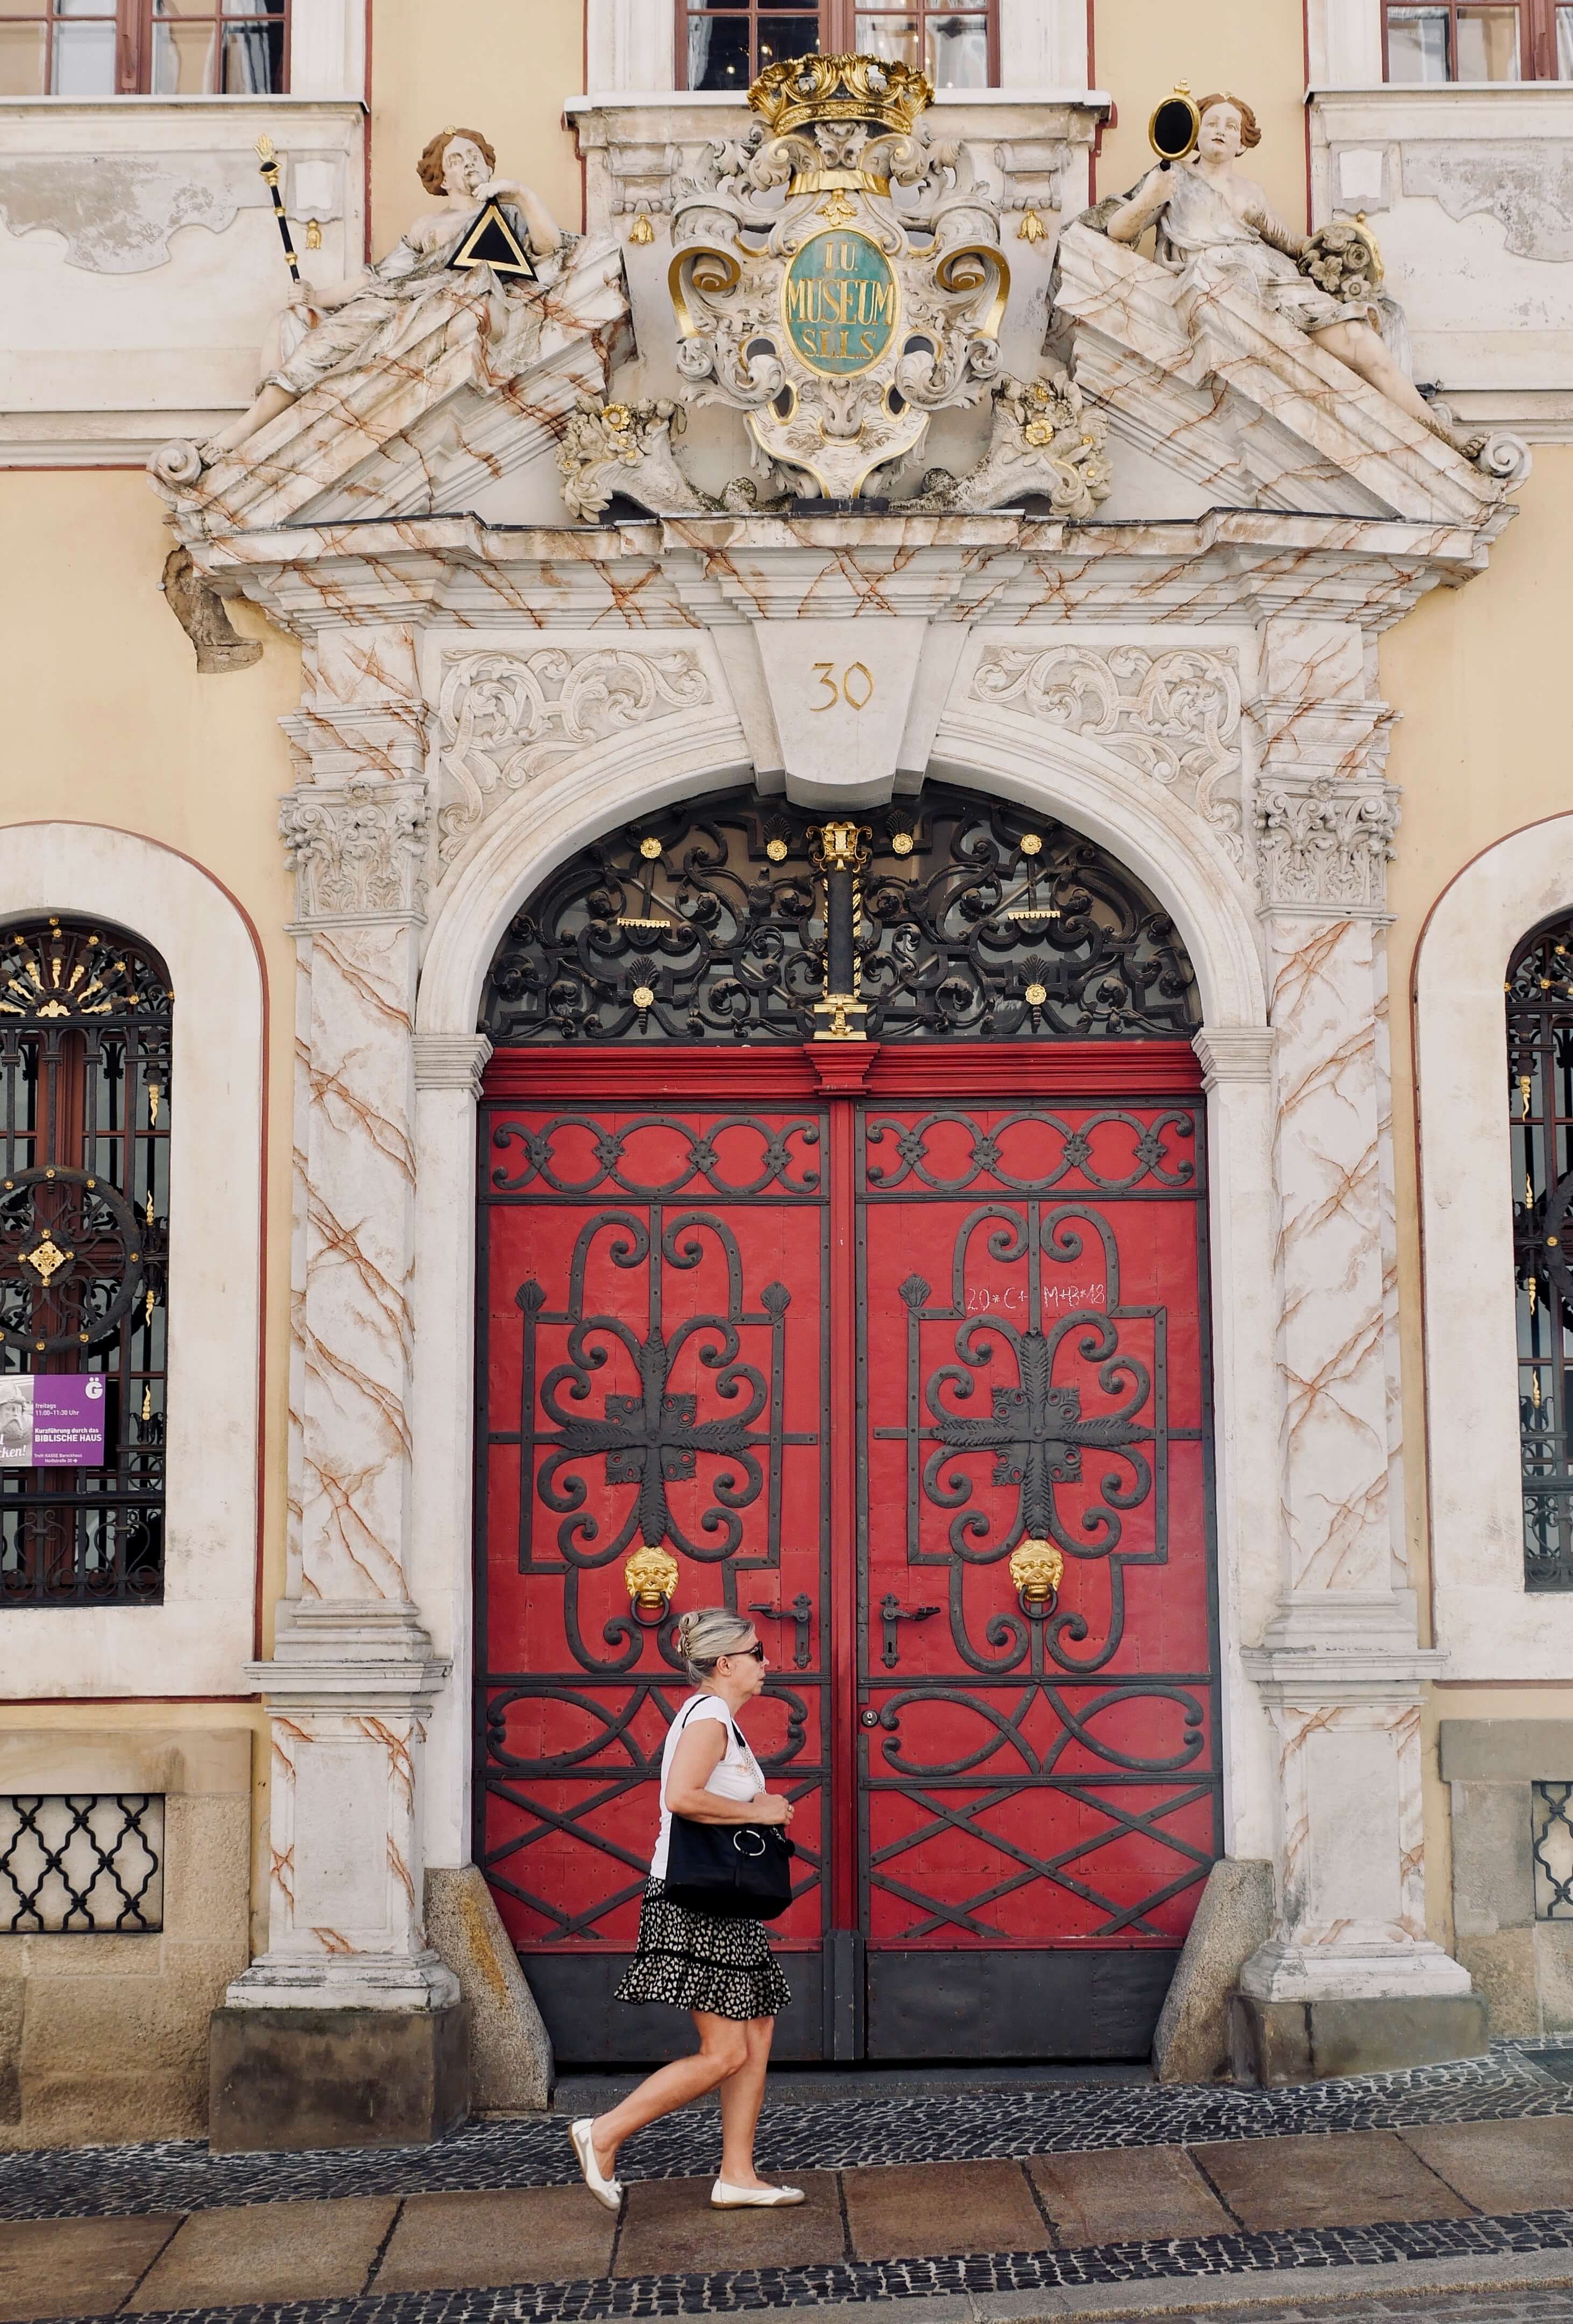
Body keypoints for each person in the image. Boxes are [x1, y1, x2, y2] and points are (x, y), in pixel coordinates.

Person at [568, 1607, 803, 2212]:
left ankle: (737, 2174)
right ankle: (604, 2132)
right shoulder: (709, 1717)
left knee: (756, 2028)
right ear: (725, 1664)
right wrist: (762, 1811)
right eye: (756, 1653)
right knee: (725, 2050)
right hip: (692, 1902)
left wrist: (760, 1803)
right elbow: (681, 1798)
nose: (765, 1662)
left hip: (719, 1902)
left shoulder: (719, 1718)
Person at [1103, 92, 1483, 457]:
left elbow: (1289, 243)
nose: (1221, 130)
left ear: (1242, 144)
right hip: (1222, 285)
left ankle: (1437, 431)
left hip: (1272, 281)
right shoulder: (1171, 177)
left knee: (1361, 340)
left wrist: (1343, 245)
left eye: (1232, 127)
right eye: (1212, 122)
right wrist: (1150, 198)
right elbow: (1118, 231)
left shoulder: (1252, 192)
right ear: (1195, 134)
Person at [200, 126, 561, 462]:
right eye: (455, 159)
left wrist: (520, 194)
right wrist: (317, 297)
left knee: (341, 337)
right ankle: (252, 425)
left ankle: (255, 425)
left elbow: (548, 247)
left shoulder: (507, 213)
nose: (468, 162)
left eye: (474, 154)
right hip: (399, 298)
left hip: (442, 306)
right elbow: (378, 278)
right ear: (443, 180)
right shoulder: (427, 226)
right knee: (325, 338)